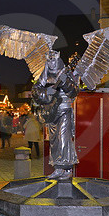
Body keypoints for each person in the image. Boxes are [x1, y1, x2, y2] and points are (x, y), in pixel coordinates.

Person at [32, 50, 79, 180]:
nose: (52, 64)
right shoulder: (45, 74)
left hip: (64, 109)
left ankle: (67, 168)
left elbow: (74, 91)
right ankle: (58, 168)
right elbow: (35, 91)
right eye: (49, 61)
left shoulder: (66, 72)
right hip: (52, 112)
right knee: (54, 141)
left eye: (54, 61)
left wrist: (65, 82)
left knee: (64, 138)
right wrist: (48, 91)